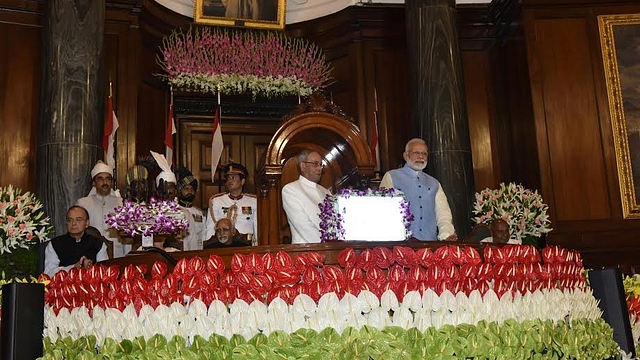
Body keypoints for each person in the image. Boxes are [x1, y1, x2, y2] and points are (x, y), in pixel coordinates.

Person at [380, 138, 457, 241]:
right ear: (405, 155)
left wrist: (446, 236)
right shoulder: (391, 176)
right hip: (400, 247)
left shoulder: (434, 183)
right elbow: (383, 212)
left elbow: (443, 214)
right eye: (416, 152)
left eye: (424, 153)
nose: (421, 156)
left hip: (429, 247)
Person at [76, 161, 130, 257]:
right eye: (100, 179)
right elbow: (77, 232)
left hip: (117, 254)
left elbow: (127, 235)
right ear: (94, 182)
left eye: (108, 179)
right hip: (90, 253)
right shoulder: (82, 203)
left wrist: (127, 255)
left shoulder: (121, 203)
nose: (105, 182)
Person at [281, 149, 332, 244]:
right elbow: (303, 225)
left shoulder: (325, 192)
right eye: (315, 164)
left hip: (328, 248)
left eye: (321, 164)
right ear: (303, 166)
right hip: (305, 250)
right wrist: (326, 244)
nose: (319, 168)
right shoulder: (291, 189)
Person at [44, 206, 108, 276]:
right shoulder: (55, 244)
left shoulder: (98, 244)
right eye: (70, 220)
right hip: (64, 285)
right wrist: (73, 268)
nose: (73, 224)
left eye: (78, 220)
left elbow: (105, 273)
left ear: (87, 223)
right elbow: (48, 274)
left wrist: (91, 268)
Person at [204, 162, 258, 243]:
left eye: (233, 177)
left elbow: (256, 227)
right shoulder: (217, 201)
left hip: (246, 245)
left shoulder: (253, 201)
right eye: (228, 178)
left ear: (242, 181)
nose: (229, 181)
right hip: (223, 245)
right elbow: (210, 227)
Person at [175, 166, 206, 251]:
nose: (190, 191)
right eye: (186, 189)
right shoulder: (174, 211)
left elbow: (203, 235)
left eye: (192, 189)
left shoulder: (199, 213)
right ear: (179, 191)